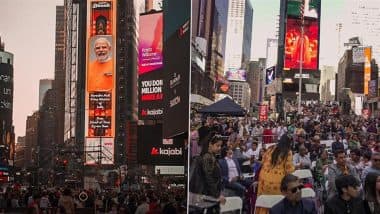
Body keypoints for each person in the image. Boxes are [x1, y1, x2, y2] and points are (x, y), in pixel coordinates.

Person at [256, 134, 295, 214]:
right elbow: (289, 170)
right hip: (277, 183)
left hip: (263, 180)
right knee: (277, 204)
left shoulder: (271, 148)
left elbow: (263, 161)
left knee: (264, 203)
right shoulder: (288, 152)